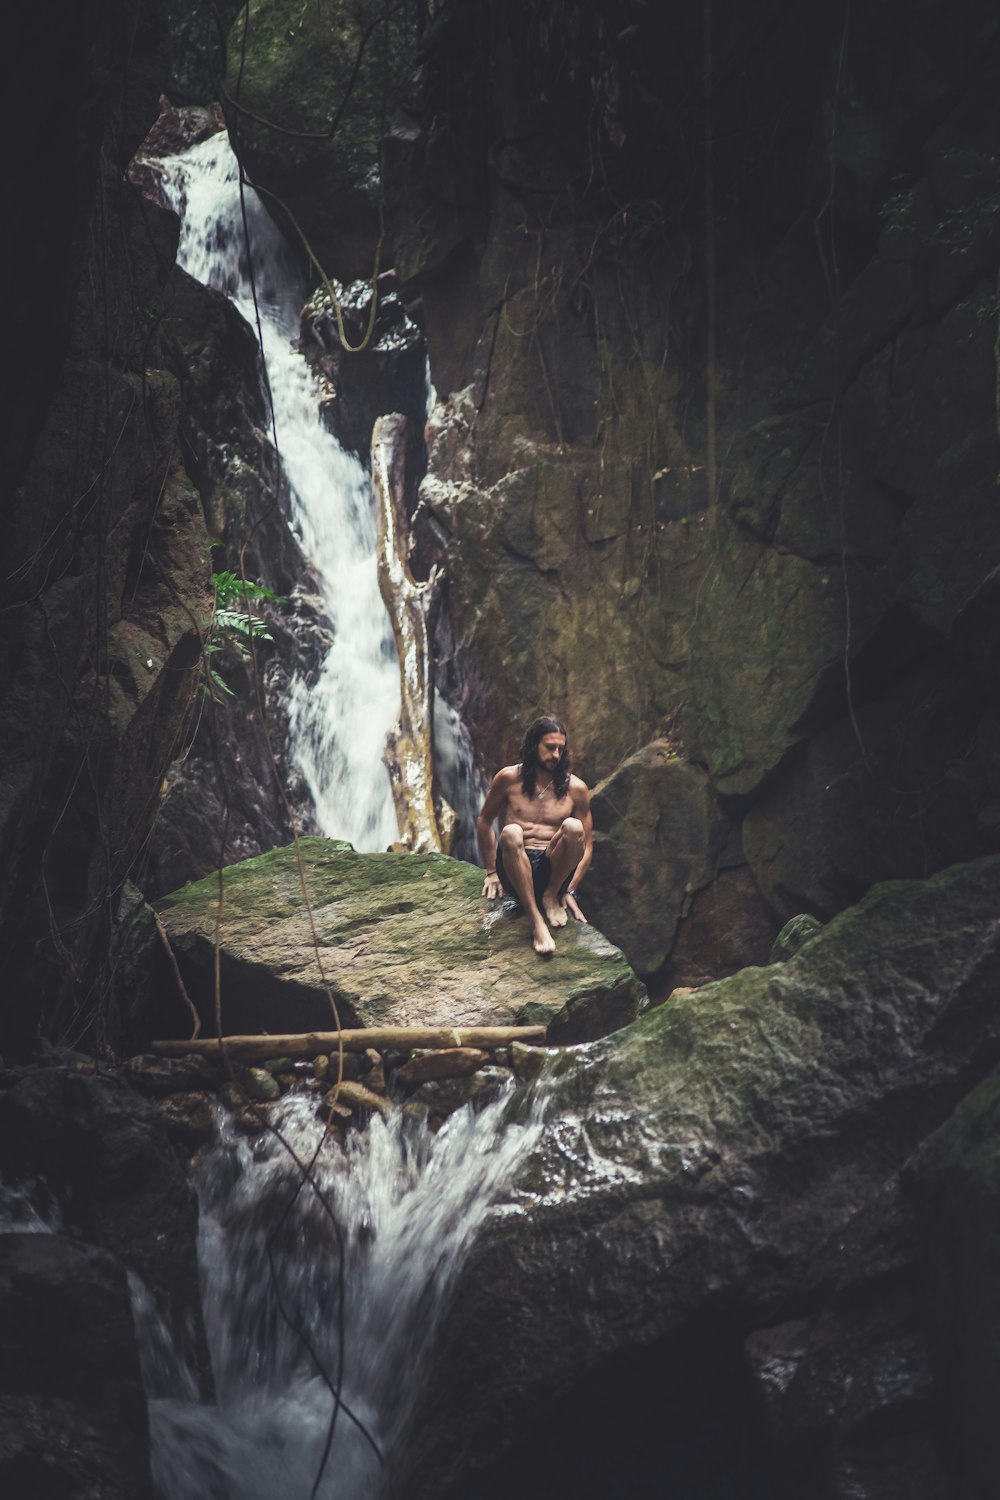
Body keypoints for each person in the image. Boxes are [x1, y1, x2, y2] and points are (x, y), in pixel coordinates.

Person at [476, 714, 592, 955]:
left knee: (573, 827)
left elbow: (587, 845)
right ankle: (536, 921)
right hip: (515, 866)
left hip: (554, 869)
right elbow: (485, 821)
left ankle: (550, 896)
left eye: (561, 749)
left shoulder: (576, 788)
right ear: (533, 745)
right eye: (550, 748)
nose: (556, 755)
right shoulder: (508, 778)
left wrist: (569, 889)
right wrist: (491, 872)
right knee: (511, 831)